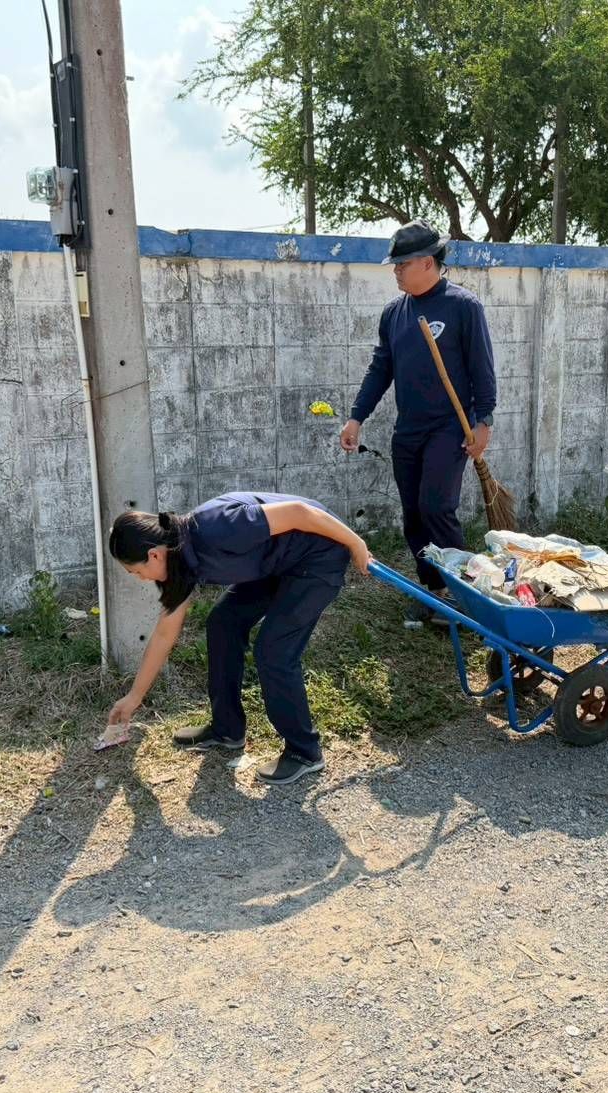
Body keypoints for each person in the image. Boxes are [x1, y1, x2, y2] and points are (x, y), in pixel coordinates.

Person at [105, 492, 372, 785]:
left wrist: (354, 542)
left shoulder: (217, 527)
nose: (141, 578)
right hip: (277, 564)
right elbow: (164, 634)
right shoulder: (180, 561)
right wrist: (134, 697)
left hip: (317, 556)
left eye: (137, 571)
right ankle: (227, 729)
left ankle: (304, 752)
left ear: (154, 554)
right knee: (223, 624)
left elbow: (299, 513)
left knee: (274, 651)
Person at [339, 219, 497, 628]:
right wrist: (357, 416)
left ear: (427, 263)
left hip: (450, 429)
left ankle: (464, 598)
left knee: (436, 507)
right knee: (413, 514)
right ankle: (436, 593)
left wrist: (485, 421)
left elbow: (483, 369)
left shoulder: (463, 306)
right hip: (408, 431)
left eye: (401, 264)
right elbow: (380, 369)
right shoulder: (395, 313)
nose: (395, 271)